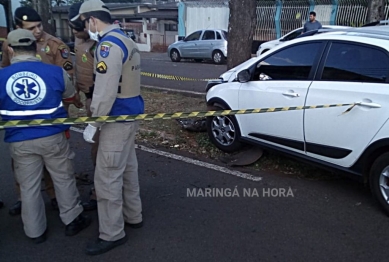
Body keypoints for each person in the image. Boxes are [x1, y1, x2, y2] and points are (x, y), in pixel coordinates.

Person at [0, 29, 91, 243]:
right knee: (63, 178)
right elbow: (70, 97)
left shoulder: (1, 76)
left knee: (29, 186)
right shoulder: (55, 72)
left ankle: (35, 231)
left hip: (19, 139)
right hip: (53, 136)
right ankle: (72, 220)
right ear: (35, 47)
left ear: (11, 49)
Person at [72, 0, 144, 255]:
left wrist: (94, 122)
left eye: (83, 22)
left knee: (107, 178)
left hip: (115, 119)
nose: (84, 28)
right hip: (130, 114)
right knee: (127, 169)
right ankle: (133, 215)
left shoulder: (107, 46)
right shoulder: (127, 40)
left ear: (92, 20)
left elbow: (105, 90)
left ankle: (112, 233)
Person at [0, 6, 79, 216]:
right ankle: (27, 202)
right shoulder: (10, 44)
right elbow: (7, 71)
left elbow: (67, 82)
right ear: (19, 28)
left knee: (55, 171)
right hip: (24, 122)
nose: (37, 31)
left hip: (48, 118)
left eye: (39, 26)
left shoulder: (55, 44)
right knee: (25, 172)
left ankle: (52, 200)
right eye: (31, 28)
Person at [68, 2, 98, 211]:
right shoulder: (78, 42)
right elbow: (79, 67)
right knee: (96, 148)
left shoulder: (100, 41)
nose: (77, 32)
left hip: (100, 99)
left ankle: (100, 193)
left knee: (101, 149)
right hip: (88, 97)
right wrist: (77, 91)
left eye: (79, 27)